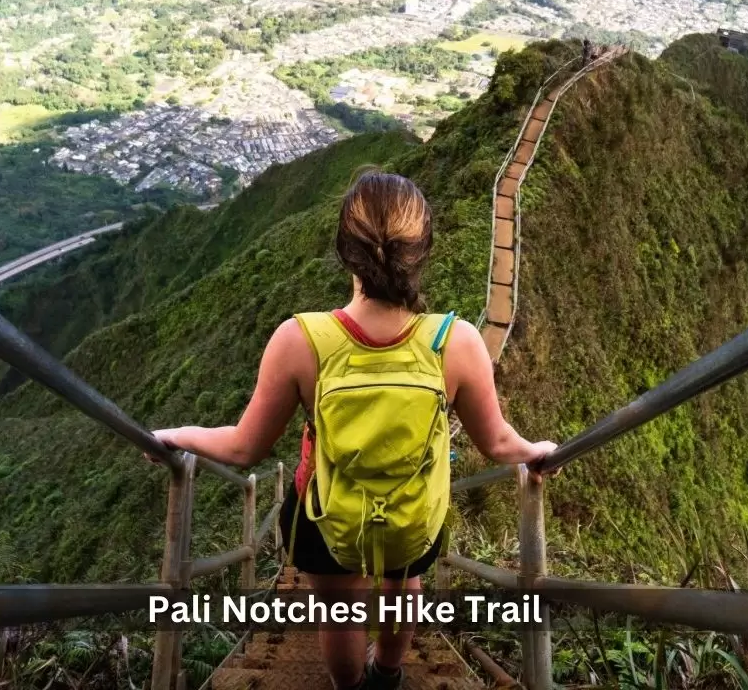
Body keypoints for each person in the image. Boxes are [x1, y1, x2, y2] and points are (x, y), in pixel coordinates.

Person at [148, 171, 558, 690]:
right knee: (404, 585)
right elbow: (498, 443)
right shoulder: (457, 341)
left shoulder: (300, 339)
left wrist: (176, 434)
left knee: (339, 611)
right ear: (424, 250)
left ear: (345, 250)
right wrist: (538, 451)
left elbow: (244, 446)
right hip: (413, 513)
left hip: (327, 514)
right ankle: (388, 674)